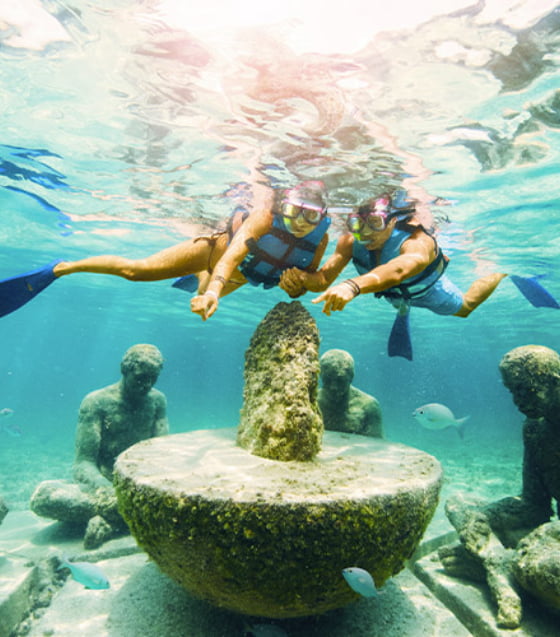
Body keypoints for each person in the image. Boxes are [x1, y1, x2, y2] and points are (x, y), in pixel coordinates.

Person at [280, 190, 558, 359]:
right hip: (390, 292)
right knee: (398, 297)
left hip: (427, 289)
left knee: (464, 309)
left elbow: (401, 268)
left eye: (374, 224)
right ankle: (402, 306)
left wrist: (352, 286)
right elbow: (324, 280)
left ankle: (501, 272)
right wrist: (303, 281)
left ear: (391, 221)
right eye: (355, 224)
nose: (364, 233)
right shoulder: (350, 242)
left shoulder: (416, 240)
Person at [0, 181, 331, 321]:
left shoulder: (321, 240)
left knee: (202, 291)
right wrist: (215, 289)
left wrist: (301, 281)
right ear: (283, 207)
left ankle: (203, 282)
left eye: (312, 215)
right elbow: (230, 258)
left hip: (238, 278)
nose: (301, 222)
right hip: (212, 254)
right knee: (136, 271)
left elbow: (312, 280)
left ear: (322, 216)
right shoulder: (263, 217)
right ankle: (63, 267)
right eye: (294, 211)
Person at [439, 345, 560, 628]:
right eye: (511, 391)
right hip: (548, 536)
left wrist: (536, 541)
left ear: (554, 381)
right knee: (460, 505)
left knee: (545, 568)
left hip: (550, 546)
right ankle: (501, 565)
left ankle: (496, 570)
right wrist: (485, 517)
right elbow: (534, 504)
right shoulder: (534, 429)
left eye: (525, 389)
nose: (517, 401)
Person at [30, 344, 169, 549]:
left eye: (152, 378)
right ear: (125, 370)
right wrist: (108, 492)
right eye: (140, 378)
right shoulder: (96, 402)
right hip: (104, 484)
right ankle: (126, 517)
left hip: (143, 484)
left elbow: (163, 451)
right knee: (45, 498)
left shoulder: (157, 401)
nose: (146, 385)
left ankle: (112, 520)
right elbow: (83, 463)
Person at [318, 349, 383, 437]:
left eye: (340, 381)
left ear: (351, 377)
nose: (333, 387)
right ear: (320, 376)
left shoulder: (369, 406)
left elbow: (376, 444)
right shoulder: (312, 401)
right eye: (327, 380)